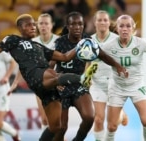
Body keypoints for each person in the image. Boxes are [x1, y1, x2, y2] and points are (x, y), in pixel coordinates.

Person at [0, 14, 128, 141]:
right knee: (54, 74)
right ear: (20, 28)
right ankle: (81, 79)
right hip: (36, 76)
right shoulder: (13, 40)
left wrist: (80, 46)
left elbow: (64, 57)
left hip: (47, 86)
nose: (33, 27)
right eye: (29, 25)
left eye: (34, 25)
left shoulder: (39, 46)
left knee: (56, 127)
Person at [51, 11, 96, 141]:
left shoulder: (88, 41)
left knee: (89, 117)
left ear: (84, 25)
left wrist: (88, 76)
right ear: (68, 26)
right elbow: (50, 66)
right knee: (61, 128)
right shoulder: (59, 42)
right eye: (73, 24)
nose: (77, 27)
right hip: (61, 85)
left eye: (80, 24)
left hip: (78, 84)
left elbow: (90, 62)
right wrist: (55, 81)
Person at [89, 10, 128, 141]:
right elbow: (87, 61)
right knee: (99, 119)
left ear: (109, 22)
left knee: (113, 123)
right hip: (97, 83)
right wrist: (86, 76)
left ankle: (121, 115)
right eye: (99, 20)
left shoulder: (116, 40)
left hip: (114, 83)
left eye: (105, 20)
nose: (102, 22)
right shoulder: (89, 41)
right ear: (95, 23)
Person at [32, 13, 60, 134]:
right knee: (44, 119)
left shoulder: (59, 41)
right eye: (41, 23)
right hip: (41, 83)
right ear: (37, 25)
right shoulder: (32, 42)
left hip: (57, 83)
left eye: (46, 23)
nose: (43, 26)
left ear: (51, 25)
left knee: (56, 120)